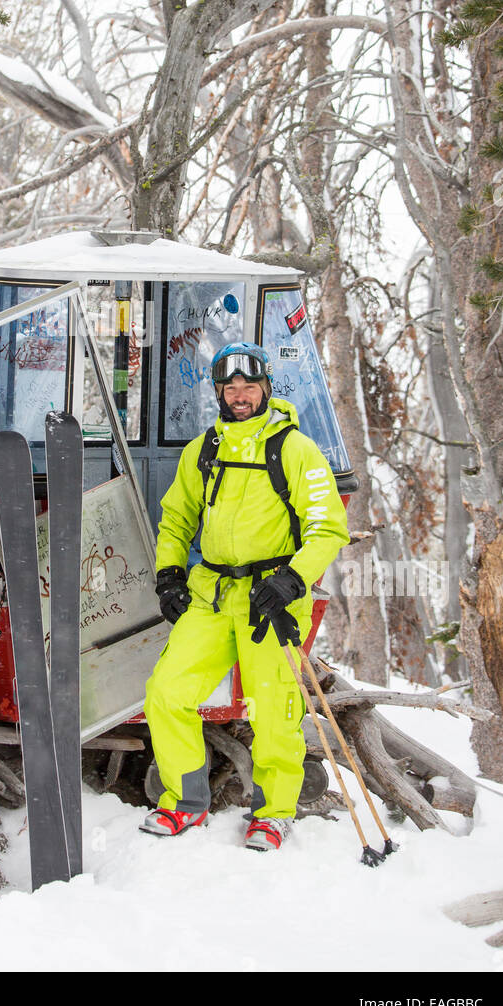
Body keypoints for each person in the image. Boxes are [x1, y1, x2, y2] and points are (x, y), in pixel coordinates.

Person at [140, 341, 350, 850]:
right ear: (218, 391)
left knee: (273, 706)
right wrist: (169, 575)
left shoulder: (295, 450)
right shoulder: (203, 450)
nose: (239, 395)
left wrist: (292, 580)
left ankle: (274, 812)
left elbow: (327, 528)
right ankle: (185, 804)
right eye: (229, 387)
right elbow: (176, 519)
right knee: (166, 693)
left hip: (271, 599)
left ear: (265, 388)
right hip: (211, 596)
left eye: (248, 386)